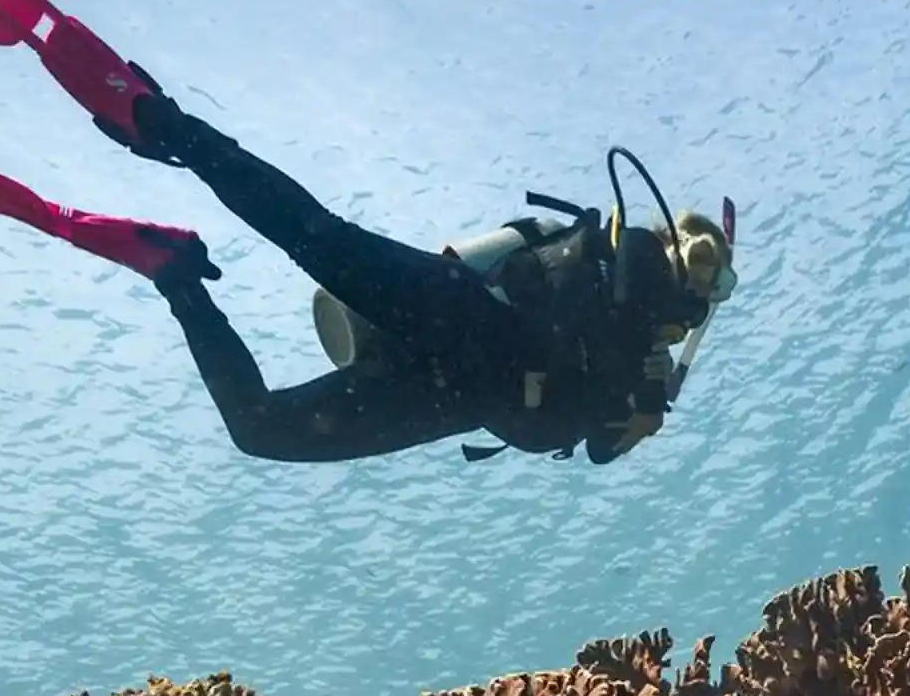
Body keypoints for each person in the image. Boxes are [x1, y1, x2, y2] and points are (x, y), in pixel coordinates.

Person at [96, 78, 738, 467]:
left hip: (453, 396)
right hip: (463, 319)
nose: (709, 300)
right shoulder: (638, 266)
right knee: (314, 235)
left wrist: (641, 407)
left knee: (260, 429)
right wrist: (650, 381)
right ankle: (170, 125)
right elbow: (632, 290)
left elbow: (595, 446)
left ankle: (176, 275)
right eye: (714, 279)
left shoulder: (645, 367)